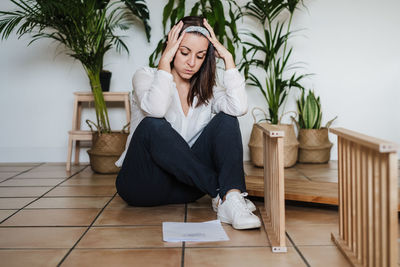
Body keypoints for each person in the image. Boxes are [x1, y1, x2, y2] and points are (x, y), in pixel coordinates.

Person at [115, 16, 261, 230]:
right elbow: (155, 109)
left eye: (200, 56)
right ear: (172, 46)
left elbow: (239, 107)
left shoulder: (207, 91)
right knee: (152, 125)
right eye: (184, 52)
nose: (191, 62)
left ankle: (230, 199)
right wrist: (165, 61)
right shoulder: (146, 76)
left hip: (187, 187)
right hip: (141, 185)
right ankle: (224, 192)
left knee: (227, 119)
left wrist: (228, 59)